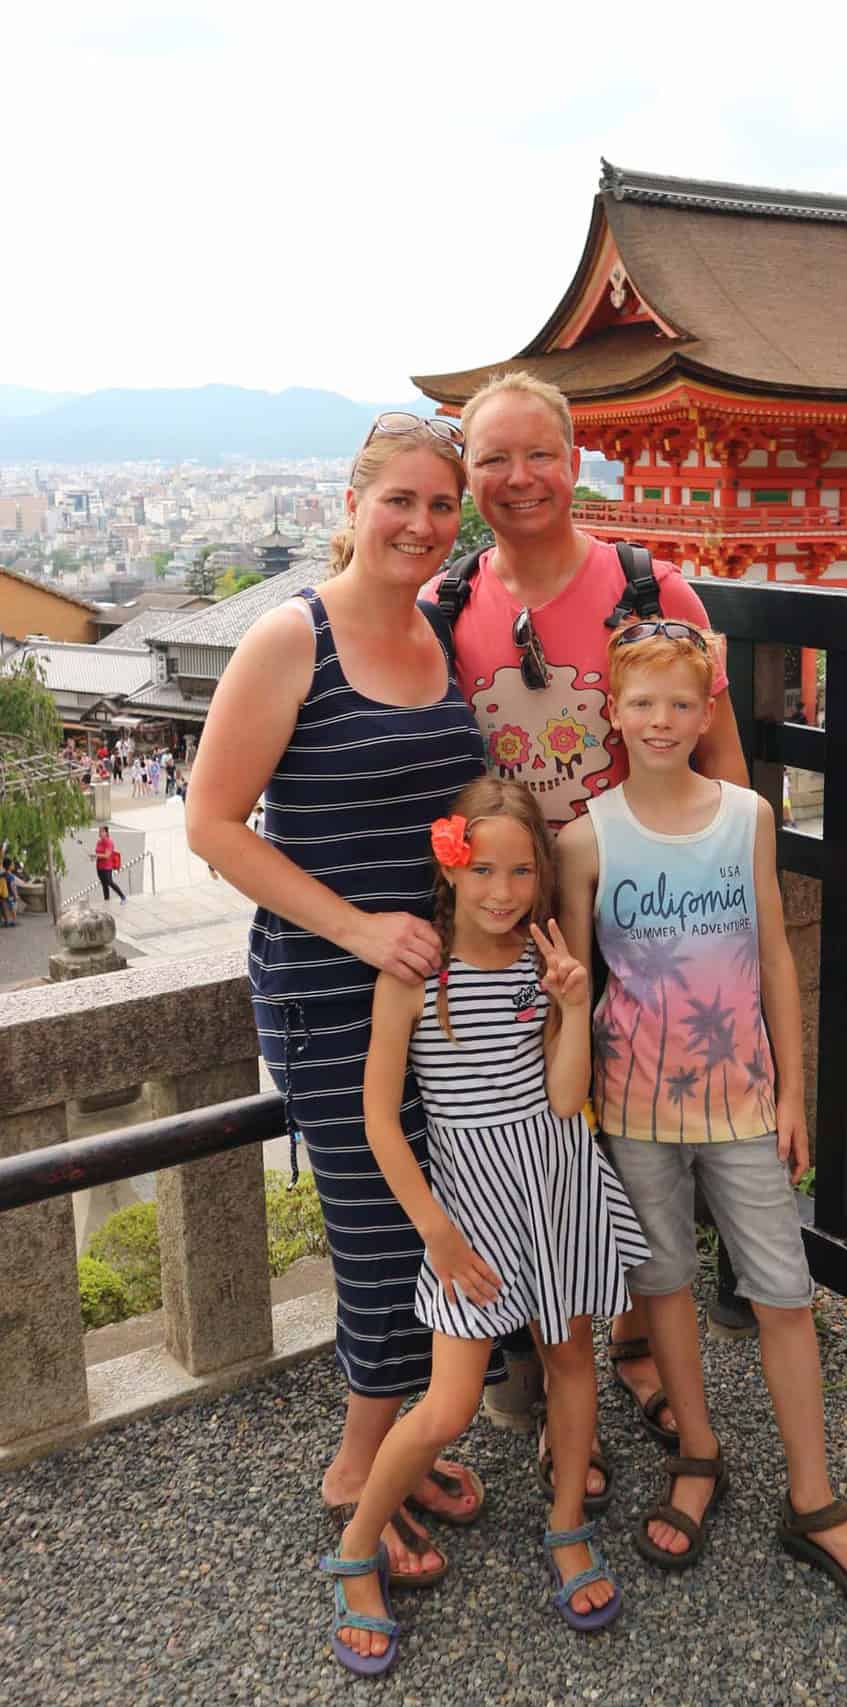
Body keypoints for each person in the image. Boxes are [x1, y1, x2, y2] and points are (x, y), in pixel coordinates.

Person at [556, 621, 847, 1616]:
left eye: (681, 702)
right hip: (630, 1105)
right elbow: (577, 985)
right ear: (611, 715)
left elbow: (772, 956)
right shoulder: (583, 837)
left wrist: (795, 1092)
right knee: (664, 1279)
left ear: (706, 707)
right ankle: (700, 1449)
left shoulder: (746, 816)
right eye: (642, 704)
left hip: (744, 1101)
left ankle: (812, 1495)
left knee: (782, 1291)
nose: (662, 720)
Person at [186, 414, 493, 1591]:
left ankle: (402, 1445)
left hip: (431, 986)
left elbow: (440, 810)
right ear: (354, 501)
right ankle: (354, 1467)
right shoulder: (289, 635)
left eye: (439, 506)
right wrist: (360, 927)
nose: (421, 524)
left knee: (439, 1211)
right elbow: (212, 824)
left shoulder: (434, 633)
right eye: (399, 500)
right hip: (328, 984)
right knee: (378, 1236)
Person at [425, 369, 750, 1457]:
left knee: (640, 1136)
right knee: (540, 1132)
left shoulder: (650, 591)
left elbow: (725, 762)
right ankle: (544, 1343)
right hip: (516, 923)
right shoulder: (450, 606)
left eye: (538, 455)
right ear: (467, 474)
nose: (517, 479)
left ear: (576, 461)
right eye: (491, 459)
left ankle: (636, 1348)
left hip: (643, 918)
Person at [322, 778, 648, 1674]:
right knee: (449, 1402)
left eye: (521, 872)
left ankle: (567, 1521)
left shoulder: (541, 967)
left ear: (541, 875)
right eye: (484, 871)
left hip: (555, 1184)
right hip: (466, 1209)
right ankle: (356, 1544)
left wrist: (573, 1006)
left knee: (571, 1360)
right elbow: (380, 1118)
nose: (502, 892)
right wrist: (435, 1230)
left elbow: (562, 1094)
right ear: (452, 866)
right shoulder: (417, 975)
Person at [93, 826, 127, 905]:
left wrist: (96, 855)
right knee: (104, 884)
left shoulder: (109, 842)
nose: (100, 833)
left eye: (102, 831)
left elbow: (107, 855)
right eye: (99, 831)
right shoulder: (99, 842)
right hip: (99, 866)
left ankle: (123, 897)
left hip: (107, 866)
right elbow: (98, 854)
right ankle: (106, 900)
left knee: (109, 882)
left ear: (106, 833)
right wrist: (94, 857)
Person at [0, 857, 17, 927]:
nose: (13, 866)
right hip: (10, 895)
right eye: (12, 864)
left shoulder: (1, 875)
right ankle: (13, 921)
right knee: (12, 908)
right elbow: (12, 886)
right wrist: (15, 895)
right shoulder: (11, 876)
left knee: (4, 908)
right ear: (9, 866)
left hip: (3, 895)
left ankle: (6, 921)